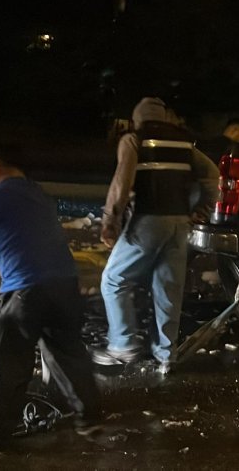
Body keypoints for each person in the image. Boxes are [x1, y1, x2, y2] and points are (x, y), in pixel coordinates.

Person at [0, 145, 102, 451]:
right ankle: (90, 418)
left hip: (25, 292)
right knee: (69, 354)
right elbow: (14, 236)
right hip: (66, 286)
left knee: (8, 365)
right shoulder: (39, 196)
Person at [92, 97, 218, 373]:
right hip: (179, 223)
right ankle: (165, 356)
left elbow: (121, 184)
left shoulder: (134, 140)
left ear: (138, 118)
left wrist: (110, 222)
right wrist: (201, 210)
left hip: (148, 221)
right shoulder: (185, 144)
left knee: (114, 280)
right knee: (167, 290)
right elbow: (213, 175)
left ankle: (122, 344)